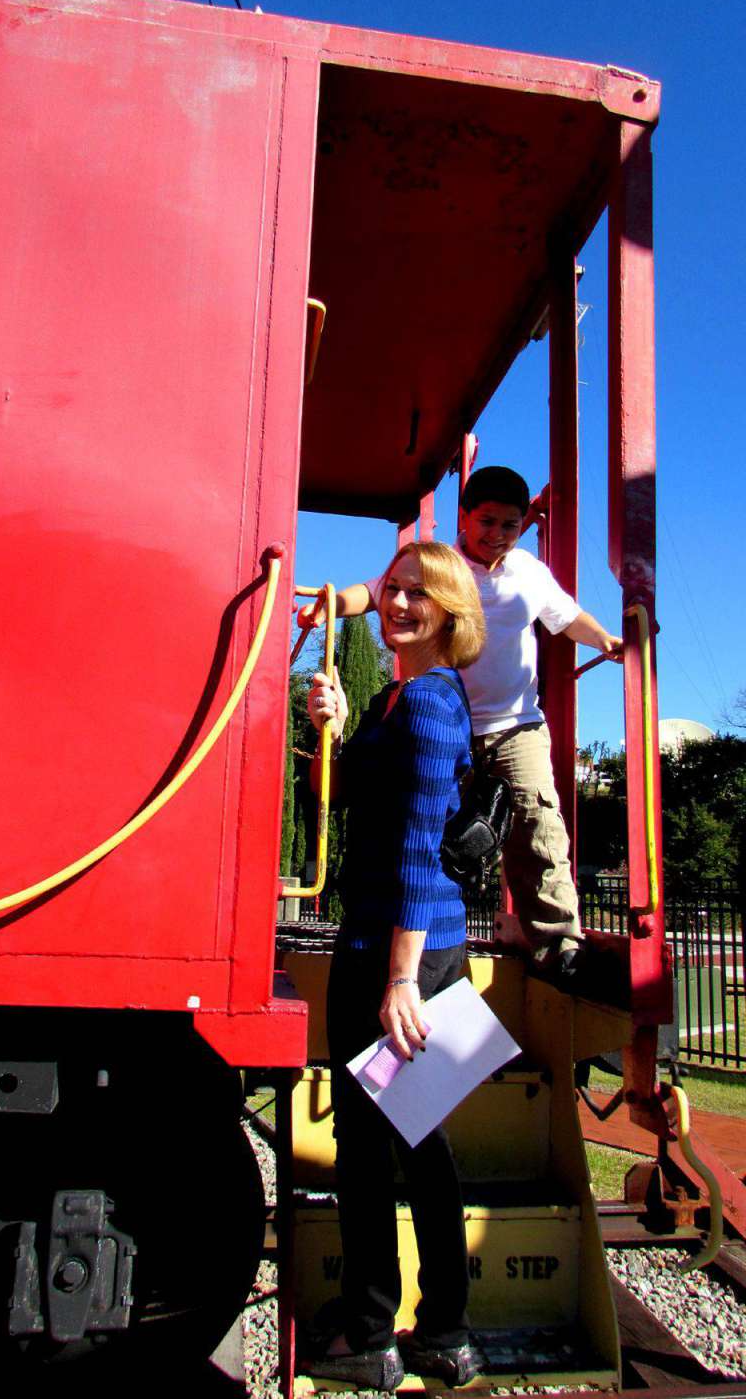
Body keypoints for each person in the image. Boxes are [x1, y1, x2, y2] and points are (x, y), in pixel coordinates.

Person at [298, 465, 623, 984]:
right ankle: (432, 932)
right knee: (434, 829)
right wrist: (331, 605)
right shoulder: (441, 567)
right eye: (486, 521)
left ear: (522, 527)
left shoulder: (529, 573)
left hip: (516, 723)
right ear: (465, 518)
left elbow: (567, 617)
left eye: (509, 525)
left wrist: (606, 640)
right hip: (450, 720)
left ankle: (558, 941)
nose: (496, 535)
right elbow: (375, 589)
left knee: (538, 823)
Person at [303, 541, 485, 1392]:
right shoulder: (394, 700)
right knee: (387, 1145)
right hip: (385, 943)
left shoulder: (431, 705)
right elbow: (353, 808)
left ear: (450, 611)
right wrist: (332, 726)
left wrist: (401, 980)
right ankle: (405, 1325)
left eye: (421, 593)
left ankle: (412, 1326)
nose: (400, 604)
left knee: (401, 1146)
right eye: (393, 589)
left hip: (403, 953)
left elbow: (419, 850)